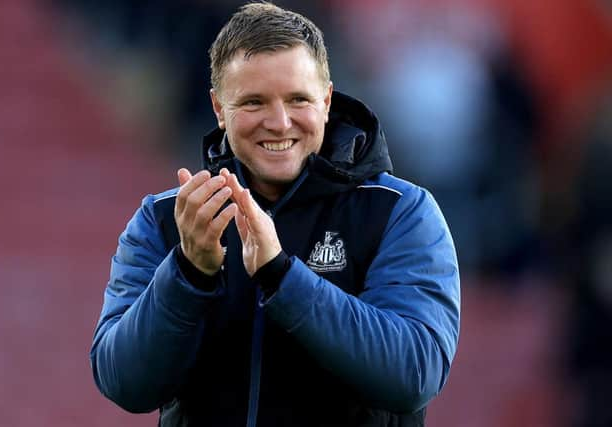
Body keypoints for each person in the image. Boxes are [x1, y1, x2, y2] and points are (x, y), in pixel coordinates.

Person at [90, 2, 460, 426]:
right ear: (218, 108)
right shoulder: (165, 219)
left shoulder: (401, 212)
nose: (279, 122)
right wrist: (188, 274)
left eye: (297, 99)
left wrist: (282, 276)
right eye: (253, 102)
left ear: (326, 100)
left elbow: (413, 374)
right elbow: (123, 383)